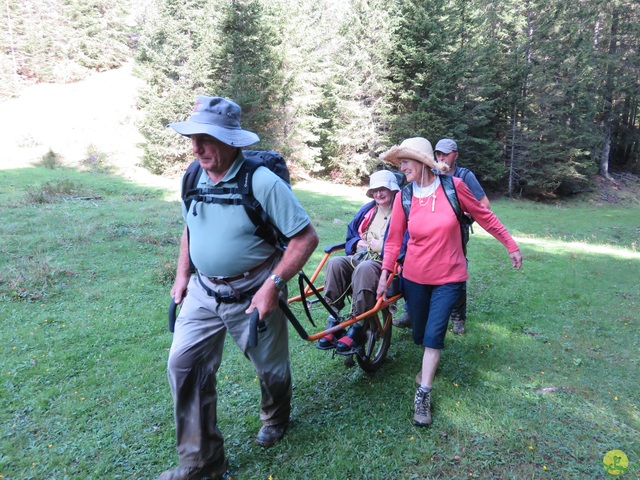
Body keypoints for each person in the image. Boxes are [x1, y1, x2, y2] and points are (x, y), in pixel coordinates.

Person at [159, 96, 319, 480]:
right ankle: (202, 464)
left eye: (207, 139)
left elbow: (305, 238)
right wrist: (183, 273)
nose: (197, 148)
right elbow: (190, 228)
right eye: (193, 138)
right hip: (202, 291)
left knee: (270, 369)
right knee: (183, 364)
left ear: (231, 141)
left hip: (253, 291)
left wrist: (273, 285)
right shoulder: (192, 177)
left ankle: (276, 415)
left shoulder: (261, 182)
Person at [376, 137, 522, 427]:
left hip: (449, 276)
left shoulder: (453, 187)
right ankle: (426, 366)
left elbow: (484, 215)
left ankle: (423, 393)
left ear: (423, 161)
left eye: (406, 160)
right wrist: (384, 276)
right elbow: (393, 242)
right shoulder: (404, 196)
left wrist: (510, 244)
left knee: (434, 334)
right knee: (420, 332)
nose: (402, 166)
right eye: (400, 161)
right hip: (415, 277)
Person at [393, 138, 490, 335]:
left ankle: (457, 316)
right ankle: (412, 312)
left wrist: (459, 214)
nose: (442, 157)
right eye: (438, 154)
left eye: (445, 153)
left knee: (454, 272)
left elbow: (484, 206)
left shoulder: (463, 177)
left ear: (456, 155)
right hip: (426, 233)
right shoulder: (427, 175)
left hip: (455, 232)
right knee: (416, 267)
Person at [316, 170, 400, 353]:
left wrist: (382, 246)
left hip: (386, 264)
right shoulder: (369, 209)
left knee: (365, 268)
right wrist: (356, 242)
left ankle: (359, 326)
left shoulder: (403, 211)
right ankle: (333, 318)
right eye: (375, 190)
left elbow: (409, 241)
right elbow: (351, 234)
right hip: (361, 256)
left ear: (393, 190)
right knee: (336, 263)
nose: (379, 193)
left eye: (383, 188)